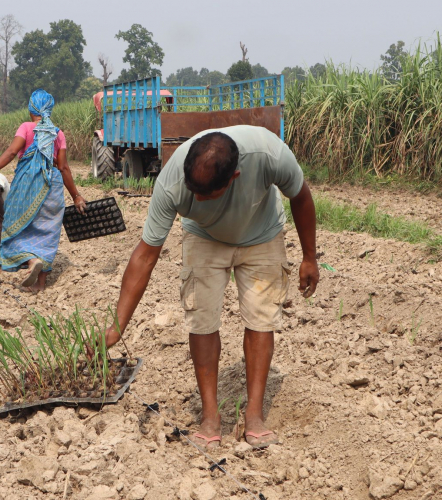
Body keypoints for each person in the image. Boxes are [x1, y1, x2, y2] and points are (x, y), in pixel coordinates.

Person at [100, 125, 319, 450]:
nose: (197, 198)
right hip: (204, 237)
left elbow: (301, 197)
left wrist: (309, 256)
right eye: (194, 190)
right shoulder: (173, 181)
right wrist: (116, 328)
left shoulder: (268, 155)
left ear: (234, 176)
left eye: (207, 194)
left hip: (261, 232)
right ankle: (210, 417)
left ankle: (255, 415)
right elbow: (145, 256)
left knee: (261, 317)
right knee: (201, 316)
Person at [0, 89, 87, 292]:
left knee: (15, 226)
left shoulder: (27, 128)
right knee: (48, 232)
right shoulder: (58, 133)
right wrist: (76, 195)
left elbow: (12, 152)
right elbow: (63, 167)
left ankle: (30, 261)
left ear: (31, 110)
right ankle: (40, 284)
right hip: (52, 186)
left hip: (27, 185)